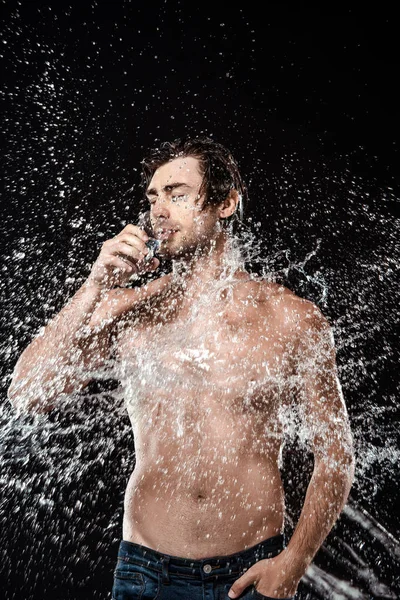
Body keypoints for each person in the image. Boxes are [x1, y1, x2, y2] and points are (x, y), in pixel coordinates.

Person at [7, 136, 355, 600]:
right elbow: (28, 394)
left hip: (252, 574)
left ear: (227, 202)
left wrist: (293, 561)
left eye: (177, 193)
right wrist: (93, 287)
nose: (159, 210)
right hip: (145, 573)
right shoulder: (126, 311)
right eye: (153, 197)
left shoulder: (291, 319)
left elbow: (336, 456)